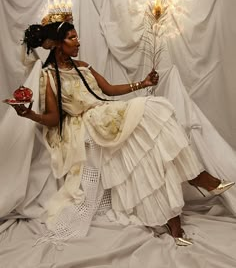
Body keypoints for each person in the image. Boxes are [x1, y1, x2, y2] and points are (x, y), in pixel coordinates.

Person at [12, 20, 234, 246]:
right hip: (89, 123)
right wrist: (29, 115)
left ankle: (174, 215)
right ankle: (196, 179)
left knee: (152, 138)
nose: (78, 42)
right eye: (72, 38)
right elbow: (53, 118)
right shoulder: (48, 76)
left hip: (105, 113)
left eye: (77, 36)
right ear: (58, 45)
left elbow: (108, 89)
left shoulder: (83, 66)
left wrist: (142, 83)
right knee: (153, 108)